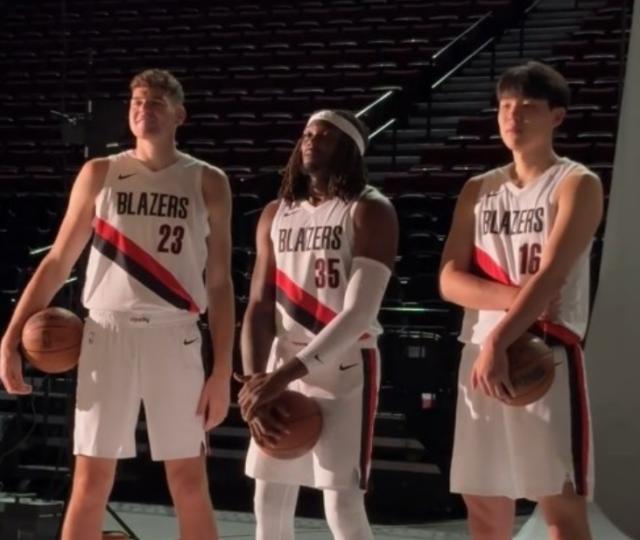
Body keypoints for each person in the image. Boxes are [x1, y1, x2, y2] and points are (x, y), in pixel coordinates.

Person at [0, 69, 234, 540]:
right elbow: (59, 259)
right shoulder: (100, 172)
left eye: (156, 102)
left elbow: (220, 281)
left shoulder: (208, 180)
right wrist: (10, 338)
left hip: (176, 334)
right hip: (107, 333)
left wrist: (222, 371)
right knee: (90, 481)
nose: (144, 109)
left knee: (189, 482)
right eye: (137, 102)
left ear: (179, 115)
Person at [439, 61, 602, 540]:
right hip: (481, 354)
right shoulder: (478, 188)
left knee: (560, 506)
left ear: (557, 116)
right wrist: (510, 309)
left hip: (543, 351)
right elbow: (448, 280)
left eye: (527, 106)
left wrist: (500, 338)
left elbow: (552, 275)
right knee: (483, 504)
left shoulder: (577, 183)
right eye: (505, 106)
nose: (512, 116)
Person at [236, 109, 398, 540]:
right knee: (268, 501)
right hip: (283, 362)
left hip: (345, 366)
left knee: (341, 505)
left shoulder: (371, 210)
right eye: (307, 133)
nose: (310, 141)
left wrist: (277, 379)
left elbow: (359, 314)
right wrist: (255, 382)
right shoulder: (276, 212)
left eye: (324, 136)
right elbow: (259, 305)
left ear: (349, 149)